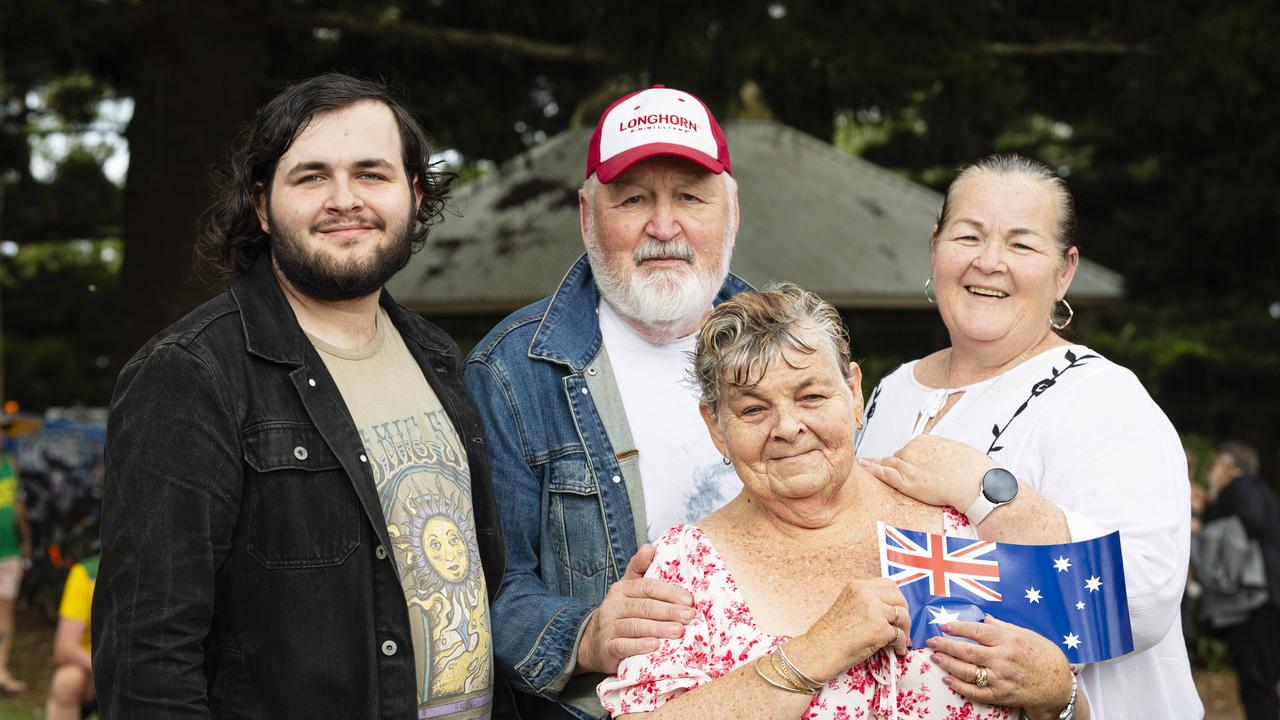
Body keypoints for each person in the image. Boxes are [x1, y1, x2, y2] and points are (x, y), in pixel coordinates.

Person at [93, 73, 512, 719]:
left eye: (371, 173)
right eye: (311, 176)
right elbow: (147, 654)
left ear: (415, 193)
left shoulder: (438, 357)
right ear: (262, 206)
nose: (345, 199)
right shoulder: (191, 373)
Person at [598, 283, 1087, 719]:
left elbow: (1069, 698)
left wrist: (1056, 689)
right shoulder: (687, 569)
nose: (787, 427)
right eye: (753, 408)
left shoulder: (954, 513)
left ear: (854, 393)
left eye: (811, 397)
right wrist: (820, 648)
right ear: (715, 427)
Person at [855, 154, 1200, 718]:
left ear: (1064, 270)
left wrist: (983, 490)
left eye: (1021, 244)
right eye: (969, 236)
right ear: (935, 244)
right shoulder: (892, 391)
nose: (989, 262)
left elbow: (1145, 595)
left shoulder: (1104, 397)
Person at [464, 84, 748, 718]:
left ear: (732, 212)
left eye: (690, 197)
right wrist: (587, 634)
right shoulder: (510, 371)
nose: (664, 226)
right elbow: (482, 589)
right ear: (588, 216)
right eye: (634, 198)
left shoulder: (793, 350)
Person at [1199, 441, 1280, 719]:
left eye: (1214, 466)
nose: (1211, 473)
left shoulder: (1240, 486)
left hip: (1255, 604)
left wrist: (1205, 532)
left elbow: (1251, 519)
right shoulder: (1260, 490)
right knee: (1264, 685)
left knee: (1257, 689)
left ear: (1228, 468)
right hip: (1266, 603)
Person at [0, 418, 31, 694]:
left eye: (4, 430)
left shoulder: (10, 463)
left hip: (9, 550)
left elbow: (18, 506)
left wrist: (26, 541)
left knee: (6, 608)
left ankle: (2, 670)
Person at [46, 554, 98, 719]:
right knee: (67, 681)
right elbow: (65, 647)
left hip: (149, 666)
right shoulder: (87, 573)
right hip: (97, 667)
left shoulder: (165, 568)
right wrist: (104, 669)